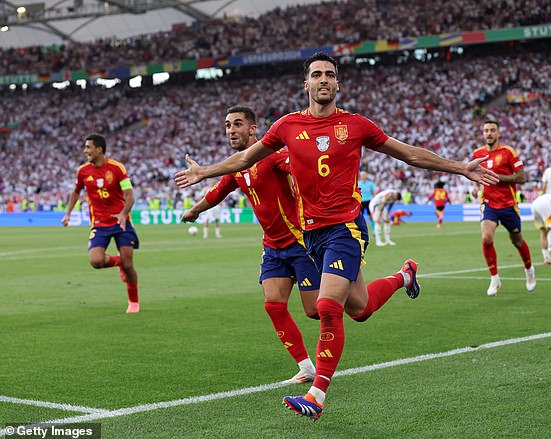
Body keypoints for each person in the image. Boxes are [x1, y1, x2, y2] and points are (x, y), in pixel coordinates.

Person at [175, 52, 497, 420]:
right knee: (359, 309)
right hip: (311, 234)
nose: (323, 80)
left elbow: (407, 153)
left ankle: (316, 394)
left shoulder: (357, 125)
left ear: (338, 84)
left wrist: (459, 168)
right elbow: (243, 160)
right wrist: (205, 173)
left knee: (327, 307)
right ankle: (405, 274)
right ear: (307, 84)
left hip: (346, 227)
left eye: (330, 74)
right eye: (316, 75)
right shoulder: (286, 127)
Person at [182, 106, 322, 383]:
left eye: (237, 124)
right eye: (227, 125)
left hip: (300, 242)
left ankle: (385, 284)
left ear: (253, 128)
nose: (231, 130)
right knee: (273, 305)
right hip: (273, 247)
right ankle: (306, 367)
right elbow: (218, 191)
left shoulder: (272, 155)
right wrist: (195, 210)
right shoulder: (236, 165)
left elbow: (296, 166)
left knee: (317, 311)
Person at [61, 134, 140, 314]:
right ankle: (118, 262)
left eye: (88, 147)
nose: (85, 151)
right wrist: (68, 214)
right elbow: (75, 192)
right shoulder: (82, 171)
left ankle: (134, 302)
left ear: (99, 149)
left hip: (121, 221)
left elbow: (130, 195)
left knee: (129, 266)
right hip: (99, 223)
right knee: (96, 261)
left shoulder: (117, 168)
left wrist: (123, 214)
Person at [471, 120, 535, 297]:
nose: (489, 133)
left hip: (508, 205)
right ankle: (494, 278)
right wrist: (476, 187)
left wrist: (497, 177)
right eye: (486, 130)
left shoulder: (508, 152)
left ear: (498, 133)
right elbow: (475, 175)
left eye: (492, 130)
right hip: (489, 203)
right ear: (483, 133)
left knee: (517, 240)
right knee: (486, 237)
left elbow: (522, 177)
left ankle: (529, 270)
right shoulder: (478, 153)